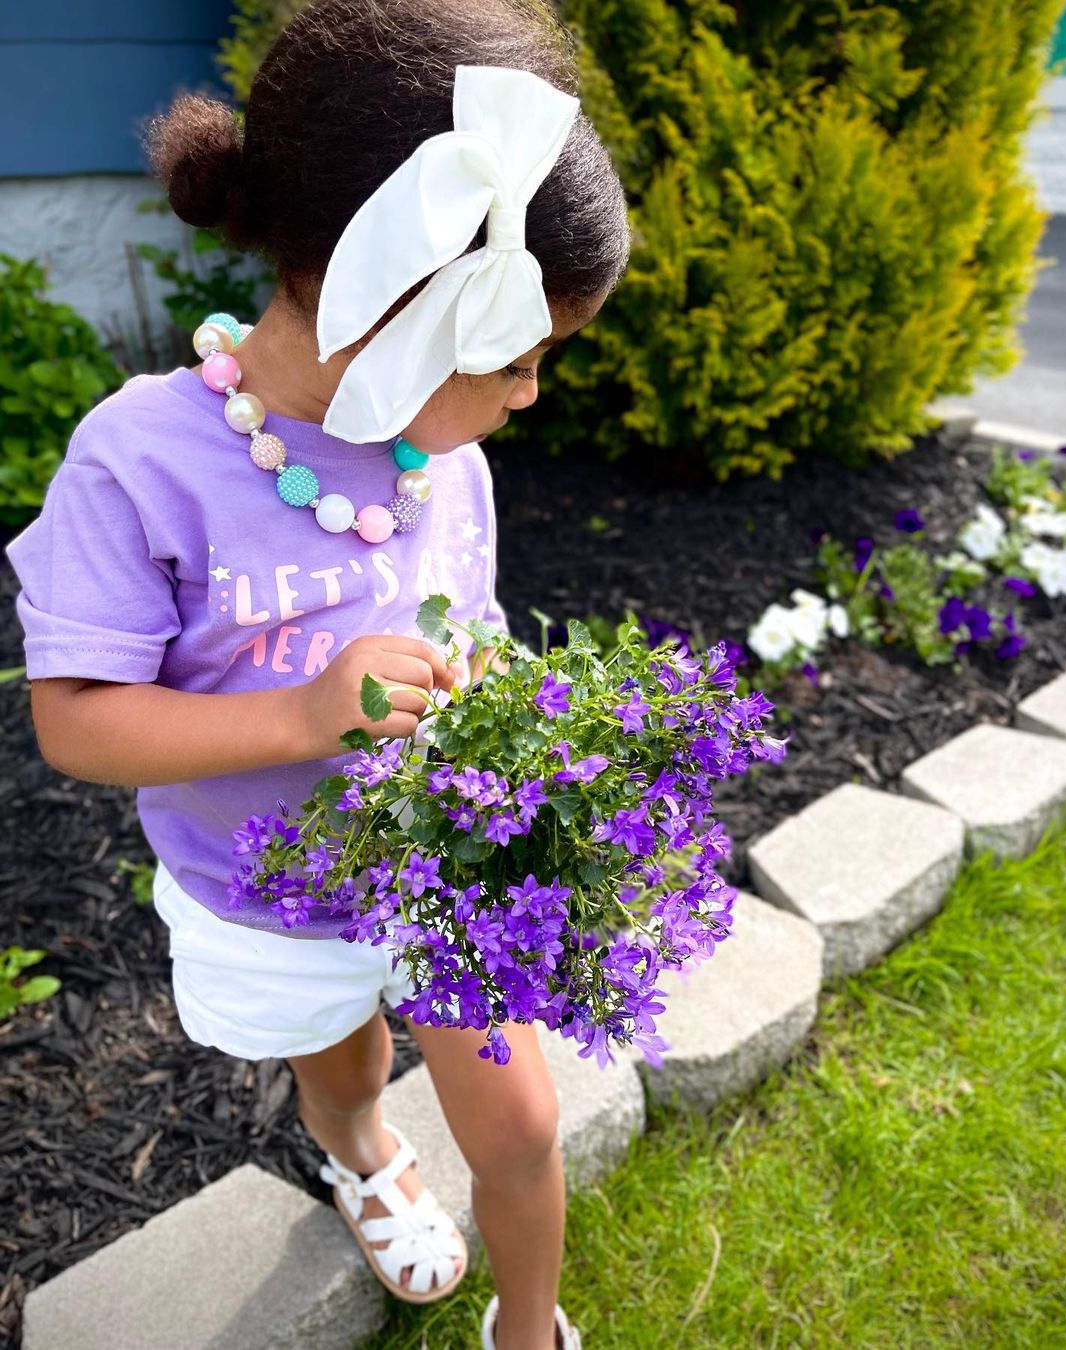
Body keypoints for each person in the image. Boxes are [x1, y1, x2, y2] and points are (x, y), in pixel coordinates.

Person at [4, 2, 630, 1347]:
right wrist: (298, 712)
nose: (530, 396)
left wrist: (497, 690)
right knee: (346, 1063)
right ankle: (358, 1149)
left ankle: (529, 1323)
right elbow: (74, 722)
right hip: (274, 882)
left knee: (518, 1112)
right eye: (514, 359)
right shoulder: (141, 461)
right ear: (397, 313)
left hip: (447, 856)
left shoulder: (442, 459)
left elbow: (473, 614)